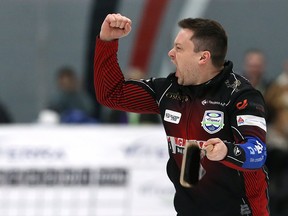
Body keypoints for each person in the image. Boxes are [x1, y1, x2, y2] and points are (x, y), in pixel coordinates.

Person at [94, 13, 269, 216]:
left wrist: (227, 151)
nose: (170, 53)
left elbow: (258, 152)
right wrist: (107, 41)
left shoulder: (240, 95)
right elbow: (111, 94)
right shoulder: (168, 91)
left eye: (178, 48)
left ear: (203, 57)